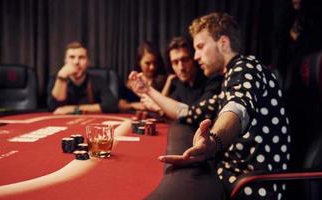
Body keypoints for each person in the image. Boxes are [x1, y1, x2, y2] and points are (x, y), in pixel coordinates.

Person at [130, 12, 291, 199]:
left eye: (200, 47)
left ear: (223, 43)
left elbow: (237, 107)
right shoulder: (229, 78)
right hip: (229, 178)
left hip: (248, 188)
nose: (196, 56)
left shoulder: (246, 66)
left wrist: (213, 142)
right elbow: (190, 112)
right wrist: (148, 90)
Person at [47, 42, 118, 114]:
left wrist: (73, 109)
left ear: (88, 62)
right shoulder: (56, 79)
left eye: (81, 57)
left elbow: (111, 105)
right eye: (72, 57)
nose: (76, 62)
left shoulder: (97, 80)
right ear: (65, 61)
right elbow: (53, 108)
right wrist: (62, 78)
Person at [161, 36, 211, 105]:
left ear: (194, 58)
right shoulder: (181, 84)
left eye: (185, 60)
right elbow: (162, 108)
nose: (181, 68)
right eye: (175, 62)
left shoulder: (210, 81)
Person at [118, 41, 167, 112]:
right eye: (148, 63)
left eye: (155, 63)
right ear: (139, 62)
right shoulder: (133, 80)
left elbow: (165, 105)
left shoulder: (163, 80)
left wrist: (168, 82)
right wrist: (134, 105)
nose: (152, 67)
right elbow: (121, 105)